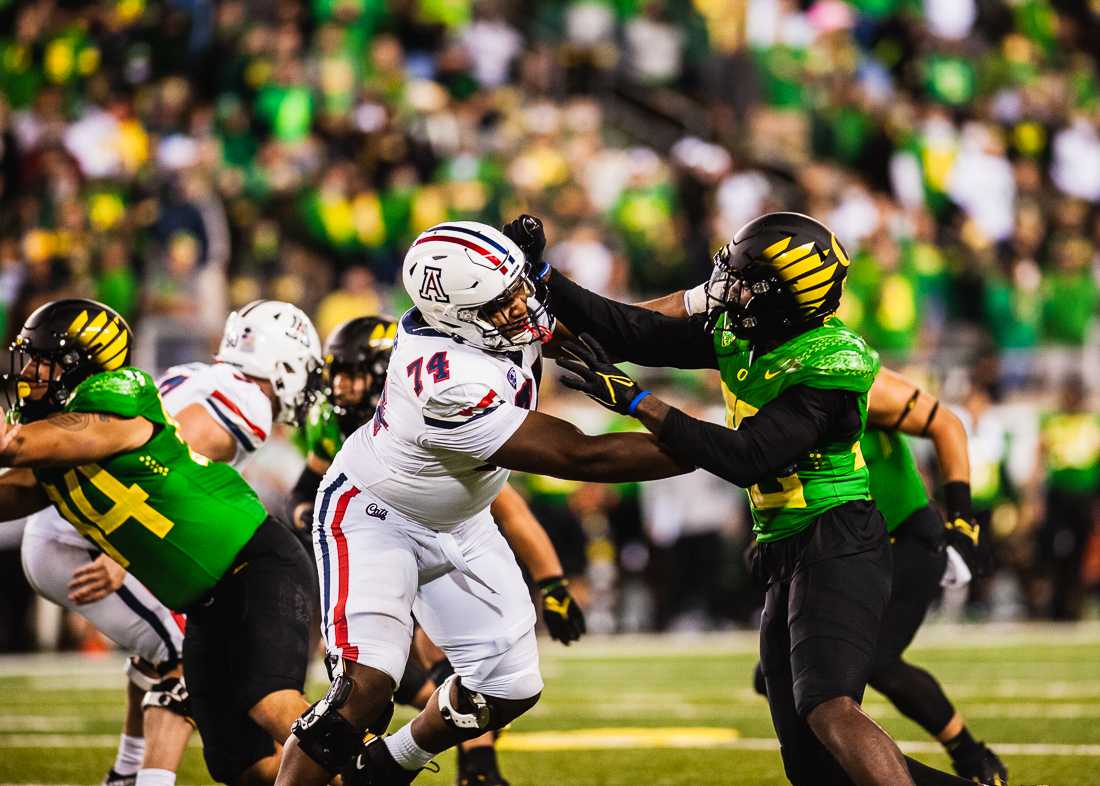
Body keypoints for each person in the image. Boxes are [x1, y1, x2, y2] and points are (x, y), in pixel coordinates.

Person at [538, 212, 995, 785]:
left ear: (788, 296)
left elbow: (747, 457)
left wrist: (638, 402)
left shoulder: (831, 359)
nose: (732, 287)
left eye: (749, 279)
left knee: (830, 706)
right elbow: (632, 330)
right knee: (811, 768)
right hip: (785, 545)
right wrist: (543, 277)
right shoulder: (742, 334)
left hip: (841, 536)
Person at [275, 221, 690, 786]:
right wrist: (716, 445)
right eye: (504, 301)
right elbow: (580, 457)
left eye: (521, 288)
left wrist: (701, 304)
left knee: (509, 688)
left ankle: (389, 765)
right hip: (376, 517)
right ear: (456, 313)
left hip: (462, 519)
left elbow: (624, 328)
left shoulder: (489, 314)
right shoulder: (444, 381)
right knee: (365, 686)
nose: (523, 307)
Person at [0, 299, 317, 786]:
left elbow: (173, 450)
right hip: (183, 573)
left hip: (245, 561)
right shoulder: (68, 432)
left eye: (44, 361)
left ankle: (135, 776)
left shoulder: (123, 403)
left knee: (258, 696)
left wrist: (118, 551)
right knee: (241, 763)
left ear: (81, 369)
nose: (30, 373)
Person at [286, 314, 586, 786]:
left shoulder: (432, 407)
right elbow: (306, 486)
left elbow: (510, 510)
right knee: (363, 683)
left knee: (480, 670)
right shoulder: (332, 422)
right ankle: (436, 760)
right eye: (336, 374)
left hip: (449, 531)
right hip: (373, 530)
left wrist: (552, 582)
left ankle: (463, 765)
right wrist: (304, 513)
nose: (340, 388)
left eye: (352, 374)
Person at [750, 366, 1005, 784]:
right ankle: (970, 756)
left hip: (902, 540)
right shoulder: (760, 379)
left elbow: (946, 422)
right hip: (836, 552)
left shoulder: (839, 370)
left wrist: (962, 520)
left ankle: (970, 756)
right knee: (796, 697)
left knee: (865, 668)